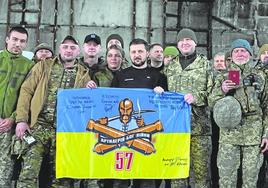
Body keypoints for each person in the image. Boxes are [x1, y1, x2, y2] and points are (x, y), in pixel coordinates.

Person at [14, 35, 93, 188]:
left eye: (72, 48)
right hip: (39, 127)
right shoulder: (44, 66)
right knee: (28, 174)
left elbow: (87, 103)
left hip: (65, 132)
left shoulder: (83, 74)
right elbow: (26, 91)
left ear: (78, 52)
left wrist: (90, 87)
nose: (68, 50)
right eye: (65, 47)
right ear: (59, 49)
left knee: (62, 178)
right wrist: (21, 120)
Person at [157, 28, 213, 188]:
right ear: (178, 44)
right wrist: (159, 90)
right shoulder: (171, 66)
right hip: (175, 130)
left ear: (195, 43)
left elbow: (214, 94)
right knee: (177, 175)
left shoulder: (205, 65)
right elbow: (162, 89)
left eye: (189, 39)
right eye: (181, 40)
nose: (185, 42)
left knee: (201, 176)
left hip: (199, 130)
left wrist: (197, 97)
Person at [210, 39, 268, 187]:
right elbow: (211, 103)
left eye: (243, 50)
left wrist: (266, 134)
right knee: (226, 179)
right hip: (229, 135)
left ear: (249, 53)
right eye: (236, 51)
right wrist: (222, 90)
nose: (240, 53)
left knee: (250, 180)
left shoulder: (260, 76)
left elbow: (266, 106)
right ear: (231, 55)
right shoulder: (223, 76)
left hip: (253, 136)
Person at [111, 38, 167, 188]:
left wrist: (162, 93)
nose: (137, 55)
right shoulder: (120, 76)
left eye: (140, 51)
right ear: (129, 54)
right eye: (134, 52)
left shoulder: (158, 76)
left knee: (146, 181)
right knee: (120, 180)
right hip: (123, 136)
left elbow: (167, 105)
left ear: (147, 53)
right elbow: (109, 103)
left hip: (147, 135)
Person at [0, 26, 33, 187]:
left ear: (26, 44)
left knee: (4, 172)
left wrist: (12, 118)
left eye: (22, 41)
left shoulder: (29, 66)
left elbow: (28, 96)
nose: (18, 44)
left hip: (9, 127)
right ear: (7, 39)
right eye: (15, 39)